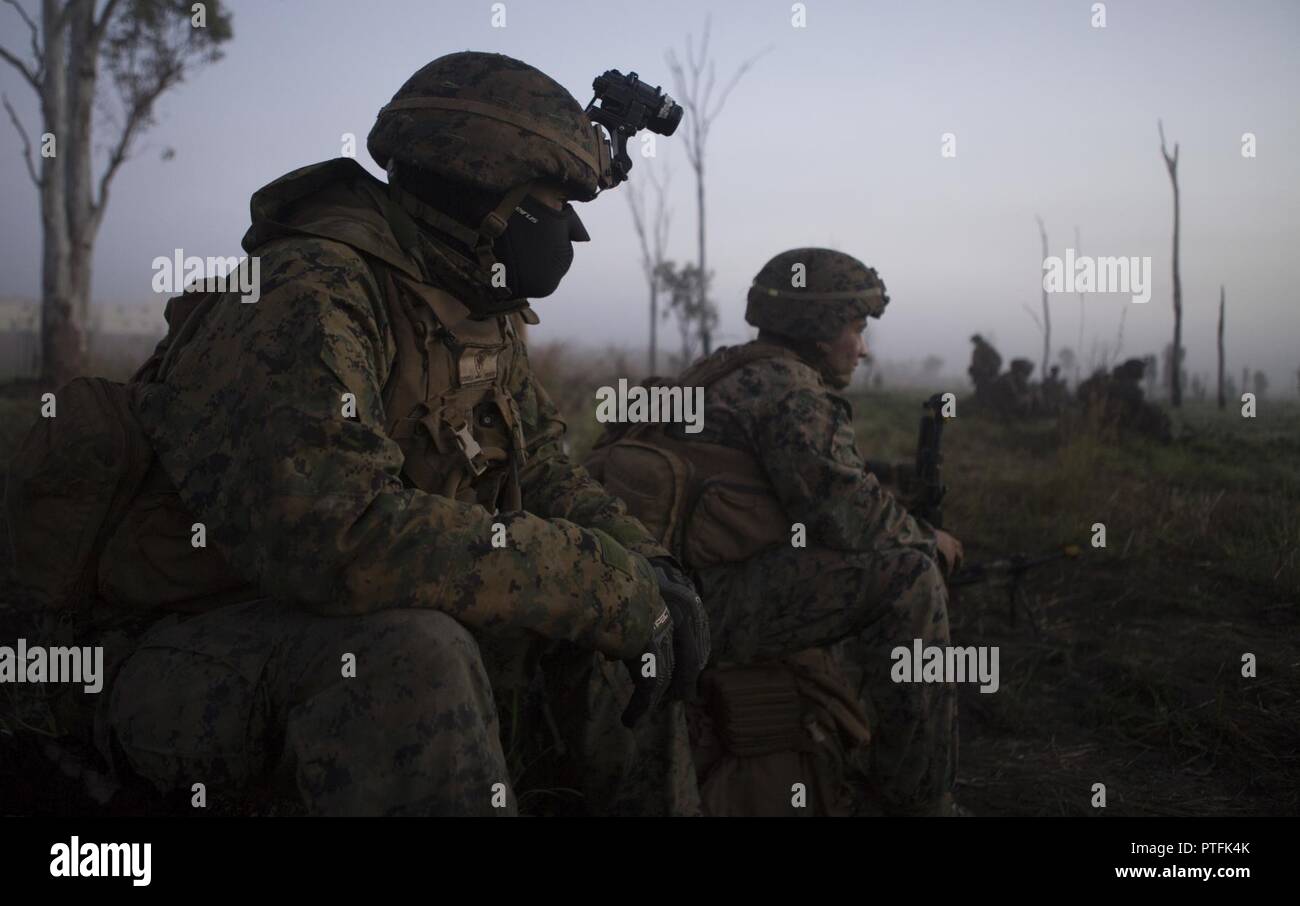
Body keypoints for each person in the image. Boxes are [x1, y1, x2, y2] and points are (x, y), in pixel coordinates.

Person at [62, 51, 709, 816]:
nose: (570, 229)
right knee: (412, 655)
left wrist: (646, 568)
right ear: (479, 190)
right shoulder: (309, 291)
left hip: (331, 620)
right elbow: (335, 534)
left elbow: (537, 464)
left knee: (627, 637)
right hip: (190, 645)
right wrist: (600, 584)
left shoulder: (473, 299)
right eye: (553, 200)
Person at [588, 248, 965, 816]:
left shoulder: (730, 367)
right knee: (909, 575)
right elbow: (848, 517)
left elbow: (805, 478)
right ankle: (919, 801)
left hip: (658, 590)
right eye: (856, 328)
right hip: (701, 608)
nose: (862, 348)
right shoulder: (791, 390)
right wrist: (926, 538)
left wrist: (889, 485)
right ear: (819, 328)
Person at [968, 334, 1002, 402]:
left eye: (975, 341)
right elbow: (976, 363)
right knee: (981, 392)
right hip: (981, 376)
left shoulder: (987, 349)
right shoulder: (977, 350)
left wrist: (989, 369)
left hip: (989, 375)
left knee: (989, 392)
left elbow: (998, 360)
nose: (974, 343)